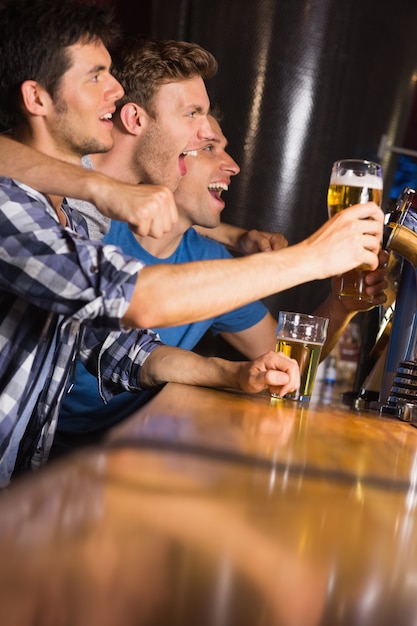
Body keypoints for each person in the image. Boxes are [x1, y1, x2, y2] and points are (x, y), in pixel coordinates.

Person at [0, 0, 384, 486]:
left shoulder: (76, 216)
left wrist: (234, 374)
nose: (115, 92)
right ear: (37, 97)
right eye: (97, 75)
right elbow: (136, 298)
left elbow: (119, 347)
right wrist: (313, 257)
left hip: (38, 478)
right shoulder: (28, 202)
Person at [54, 113, 388, 454]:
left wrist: (340, 306)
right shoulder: (90, 227)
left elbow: (283, 362)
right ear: (173, 156)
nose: (232, 165)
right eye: (210, 147)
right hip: (48, 452)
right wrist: (312, 256)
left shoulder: (213, 264)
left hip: (129, 452)